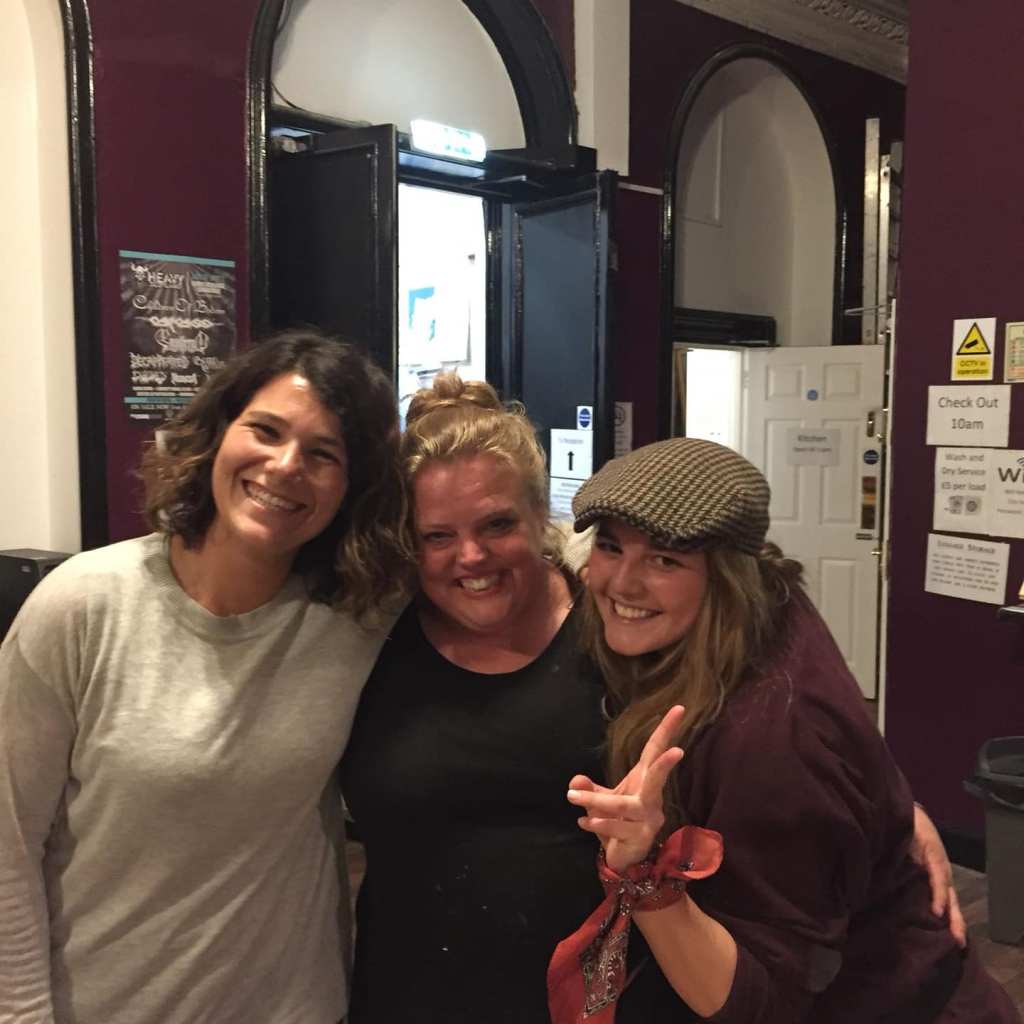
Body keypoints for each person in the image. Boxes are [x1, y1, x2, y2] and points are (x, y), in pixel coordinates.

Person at [340, 375, 967, 1023]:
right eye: (436, 536)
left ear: (539, 516)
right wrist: (889, 804)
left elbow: (771, 639)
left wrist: (891, 805)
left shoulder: (616, 623)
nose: (470, 555)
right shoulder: (367, 628)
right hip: (406, 989)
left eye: (498, 524)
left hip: (608, 999)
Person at [0, 329, 409, 1024]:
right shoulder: (81, 606)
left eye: (323, 454)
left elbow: (488, 573)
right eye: (265, 431)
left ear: (351, 486)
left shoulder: (358, 617)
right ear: (218, 434)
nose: (285, 466)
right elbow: (8, 845)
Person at [552, 437, 1020, 1023]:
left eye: (665, 560)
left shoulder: (771, 737)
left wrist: (640, 872)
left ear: (726, 578)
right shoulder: (765, 608)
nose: (622, 583)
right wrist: (893, 806)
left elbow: (763, 1001)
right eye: (610, 547)